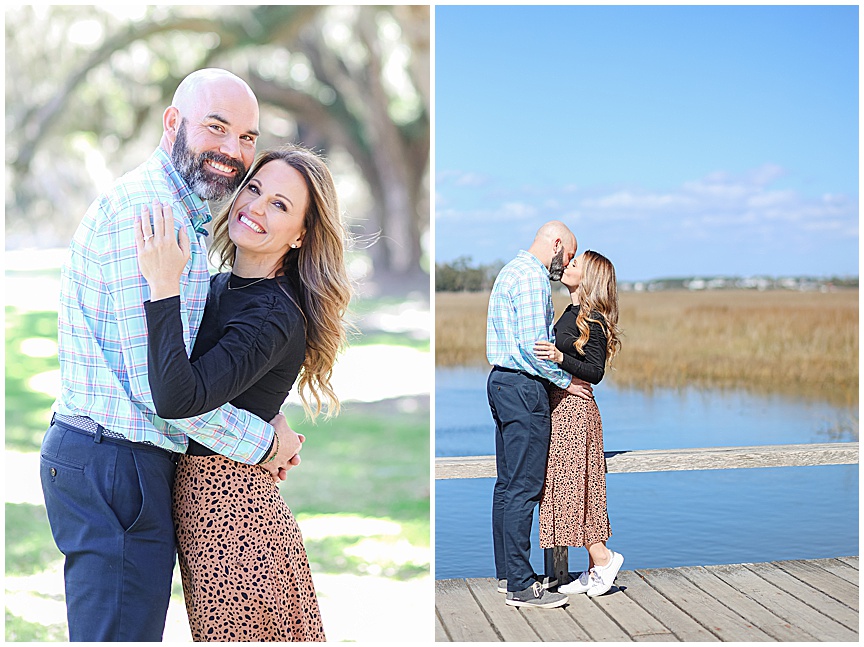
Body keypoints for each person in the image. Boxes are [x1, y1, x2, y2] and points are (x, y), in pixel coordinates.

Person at [39, 69, 301, 642]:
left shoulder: (179, 214)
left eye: (247, 138)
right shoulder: (154, 217)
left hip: (112, 460)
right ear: (172, 123)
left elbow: (187, 369)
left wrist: (262, 415)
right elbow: (163, 392)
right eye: (217, 128)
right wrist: (264, 442)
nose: (233, 152)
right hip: (117, 461)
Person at [136, 145, 351, 641]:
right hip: (212, 511)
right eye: (254, 189)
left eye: (280, 205)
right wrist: (270, 422)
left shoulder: (271, 313)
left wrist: (162, 284)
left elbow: (177, 398)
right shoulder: (219, 288)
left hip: (234, 523)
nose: (254, 206)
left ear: (301, 235)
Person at [485, 220, 595, 609]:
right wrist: (567, 381)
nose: (564, 266)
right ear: (558, 243)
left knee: (506, 484)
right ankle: (521, 584)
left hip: (500, 382)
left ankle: (506, 574)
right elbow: (536, 348)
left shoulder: (510, 269)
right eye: (567, 256)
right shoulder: (532, 278)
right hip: (523, 388)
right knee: (524, 487)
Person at [534, 250, 623, 597]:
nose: (567, 265)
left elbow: (595, 372)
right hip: (564, 410)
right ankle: (595, 566)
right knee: (573, 489)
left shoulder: (593, 319)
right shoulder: (572, 313)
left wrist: (559, 357)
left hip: (576, 412)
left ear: (589, 278)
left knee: (575, 488)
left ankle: (602, 558)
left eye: (575, 264)